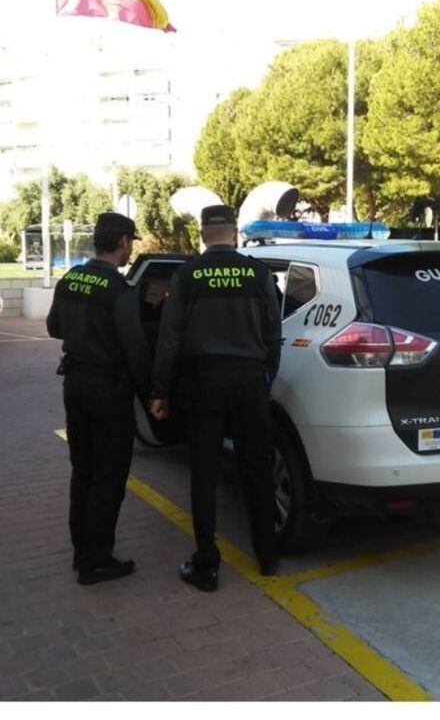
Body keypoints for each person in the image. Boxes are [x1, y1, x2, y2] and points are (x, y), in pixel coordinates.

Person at [149, 205, 282, 592]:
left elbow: (169, 337)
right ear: (234, 232)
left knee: (205, 473)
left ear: (204, 233)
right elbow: (273, 333)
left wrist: (160, 389)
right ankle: (268, 557)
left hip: (204, 381)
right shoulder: (258, 273)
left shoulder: (188, 275)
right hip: (249, 380)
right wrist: (266, 375)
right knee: (257, 469)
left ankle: (206, 565)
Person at [46, 212, 151, 586]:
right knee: (109, 476)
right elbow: (136, 349)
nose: (130, 250)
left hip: (74, 384)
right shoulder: (119, 291)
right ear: (122, 241)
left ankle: (82, 552)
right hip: (108, 390)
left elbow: (53, 326)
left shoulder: (71, 278)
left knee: (84, 470)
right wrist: (154, 395)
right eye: (130, 243)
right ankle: (97, 560)